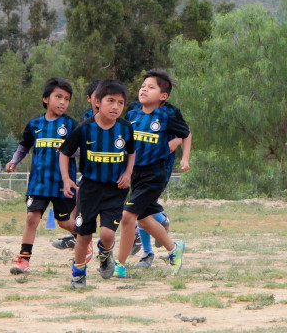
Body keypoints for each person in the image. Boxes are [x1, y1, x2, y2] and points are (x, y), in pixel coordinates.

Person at [59, 80, 136, 289]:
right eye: (110, 101)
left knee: (108, 234)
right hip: (89, 189)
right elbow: (64, 153)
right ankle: (78, 273)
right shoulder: (85, 128)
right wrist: (67, 179)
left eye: (120, 103)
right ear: (97, 102)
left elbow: (131, 152)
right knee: (83, 234)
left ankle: (105, 255)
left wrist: (128, 173)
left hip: (115, 189)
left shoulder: (125, 128)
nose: (115, 107)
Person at [113, 70, 189, 278]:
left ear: (163, 96)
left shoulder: (168, 115)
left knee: (128, 216)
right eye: (143, 85)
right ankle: (174, 249)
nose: (144, 89)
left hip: (155, 173)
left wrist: (184, 157)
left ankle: (119, 265)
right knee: (144, 219)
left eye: (151, 86)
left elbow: (186, 133)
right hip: (135, 172)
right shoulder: (133, 113)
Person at [5, 78, 79, 274]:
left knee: (64, 222)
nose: (63, 102)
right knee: (31, 218)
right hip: (38, 184)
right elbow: (24, 146)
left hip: (62, 183)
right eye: (58, 97)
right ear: (46, 99)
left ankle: (82, 237)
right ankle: (24, 260)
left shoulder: (70, 124)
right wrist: (14, 161)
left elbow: (82, 149)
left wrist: (68, 151)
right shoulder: (35, 124)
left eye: (67, 99)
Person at [52, 79, 104, 250]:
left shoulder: (115, 121)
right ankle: (78, 236)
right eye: (98, 96)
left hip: (110, 173)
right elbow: (85, 147)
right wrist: (67, 150)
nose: (101, 100)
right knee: (76, 204)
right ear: (90, 98)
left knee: (116, 211)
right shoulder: (87, 119)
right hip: (90, 172)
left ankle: (137, 233)